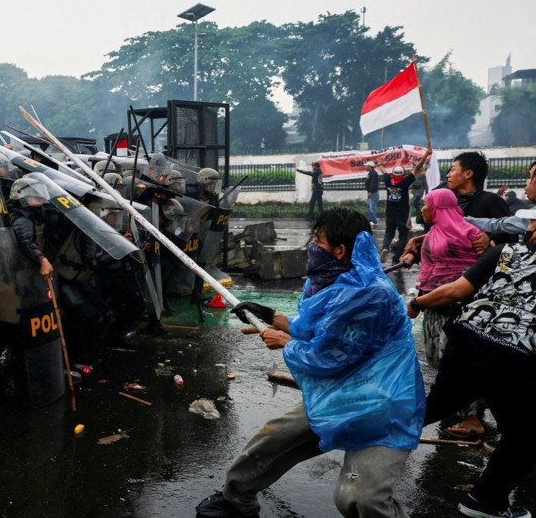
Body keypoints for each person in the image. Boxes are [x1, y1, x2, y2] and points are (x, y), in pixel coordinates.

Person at [196, 208, 424, 518]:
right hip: (337, 390)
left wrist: (286, 342)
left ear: (340, 250)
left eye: (317, 241)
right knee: (274, 438)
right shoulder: (330, 280)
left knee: (361, 499)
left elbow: (328, 357)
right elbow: (315, 326)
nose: (310, 247)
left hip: (380, 403)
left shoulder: (369, 294)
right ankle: (237, 500)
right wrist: (271, 316)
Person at [407, 207, 536, 518]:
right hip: (517, 357)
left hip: (468, 341)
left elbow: (456, 291)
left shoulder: (505, 251)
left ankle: (365, 435)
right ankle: (485, 502)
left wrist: (415, 302)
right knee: (526, 436)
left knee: (432, 407)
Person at [400, 188, 481, 369]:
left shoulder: (473, 234)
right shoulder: (434, 231)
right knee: (434, 356)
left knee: (454, 359)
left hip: (457, 306)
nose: (423, 209)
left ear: (439, 208)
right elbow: (431, 252)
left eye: (426, 205)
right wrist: (412, 256)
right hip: (431, 302)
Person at [378, 149, 431, 264]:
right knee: (403, 236)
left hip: (390, 214)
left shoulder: (388, 181)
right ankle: (396, 259)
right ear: (402, 175)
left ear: (393, 174)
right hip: (403, 215)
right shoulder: (405, 182)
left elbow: (383, 172)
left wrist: (381, 164)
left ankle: (385, 248)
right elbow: (417, 169)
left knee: (389, 233)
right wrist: (426, 154)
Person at [364, 161, 379, 225]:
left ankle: (374, 221)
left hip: (373, 193)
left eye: (366, 165)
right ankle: (370, 219)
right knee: (369, 206)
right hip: (370, 192)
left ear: (370, 166)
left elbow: (373, 184)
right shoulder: (370, 173)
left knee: (372, 207)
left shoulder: (373, 174)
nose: (365, 167)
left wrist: (370, 191)